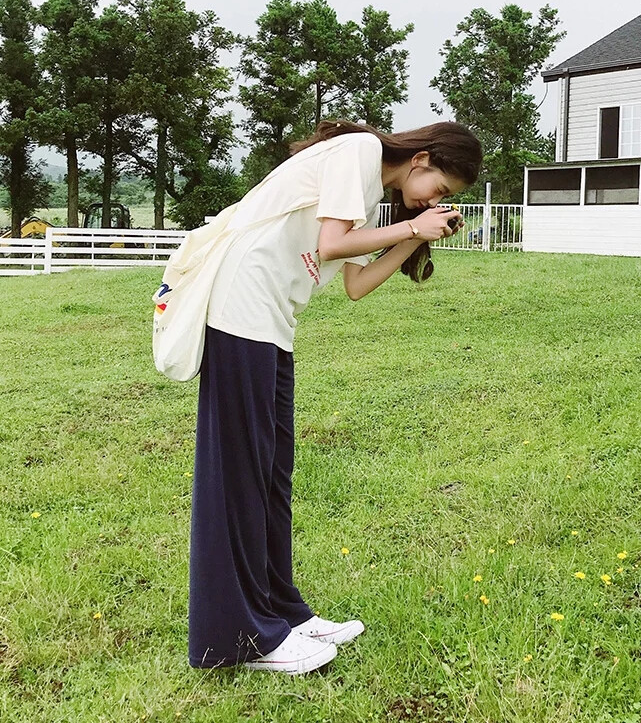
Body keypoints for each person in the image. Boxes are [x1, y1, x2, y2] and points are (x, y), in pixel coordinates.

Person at [188, 119, 482, 675]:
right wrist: (413, 225)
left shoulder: (369, 198)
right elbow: (332, 244)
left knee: (272, 474)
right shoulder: (360, 151)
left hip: (272, 321)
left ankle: (283, 614)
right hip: (239, 308)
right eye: (441, 189)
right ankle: (241, 637)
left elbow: (356, 283)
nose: (436, 200)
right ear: (421, 159)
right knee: (241, 476)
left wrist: (415, 233)